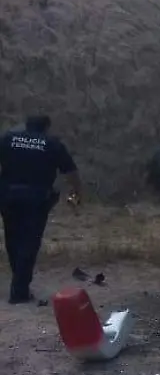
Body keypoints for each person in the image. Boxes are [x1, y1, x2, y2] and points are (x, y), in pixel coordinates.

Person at [0, 115, 82, 304]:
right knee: (29, 243)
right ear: (46, 127)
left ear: (26, 125)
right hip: (36, 199)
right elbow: (70, 172)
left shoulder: (8, 139)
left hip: (8, 196)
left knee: (13, 239)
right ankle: (19, 291)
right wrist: (76, 192)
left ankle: (19, 283)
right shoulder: (52, 144)